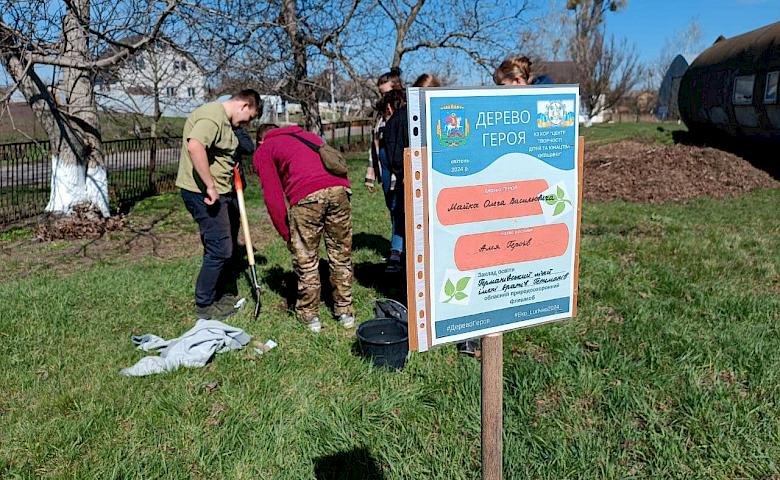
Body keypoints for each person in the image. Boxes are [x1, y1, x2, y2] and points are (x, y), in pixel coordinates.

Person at [253, 123, 354, 334]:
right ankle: (345, 312)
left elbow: (273, 197)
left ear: (260, 140)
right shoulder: (308, 136)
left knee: (306, 259)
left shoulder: (266, 148)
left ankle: (310, 317)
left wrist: (286, 233)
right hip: (340, 190)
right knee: (340, 254)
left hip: (307, 197)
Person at [176, 89, 262, 320]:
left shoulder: (225, 121)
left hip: (222, 192)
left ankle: (220, 294)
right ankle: (204, 305)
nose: (248, 122)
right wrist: (210, 185)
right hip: (202, 193)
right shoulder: (212, 116)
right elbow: (195, 146)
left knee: (221, 246)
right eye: (250, 117)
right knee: (220, 248)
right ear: (244, 106)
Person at [381, 88, 409, 273]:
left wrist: (400, 174)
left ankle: (398, 254)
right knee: (399, 213)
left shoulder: (395, 121)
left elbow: (392, 154)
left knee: (399, 213)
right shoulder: (404, 117)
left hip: (399, 177)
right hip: (400, 176)